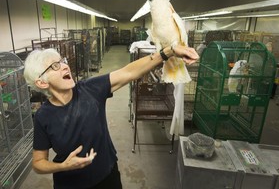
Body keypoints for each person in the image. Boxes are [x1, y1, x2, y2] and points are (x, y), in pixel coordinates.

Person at [23, 45, 199, 189]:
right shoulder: (43, 116)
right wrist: (62, 166)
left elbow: (129, 72)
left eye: (62, 61)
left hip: (107, 177)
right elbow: (38, 162)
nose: (64, 66)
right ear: (42, 82)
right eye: (55, 66)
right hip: (70, 184)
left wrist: (168, 51)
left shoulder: (89, 89)